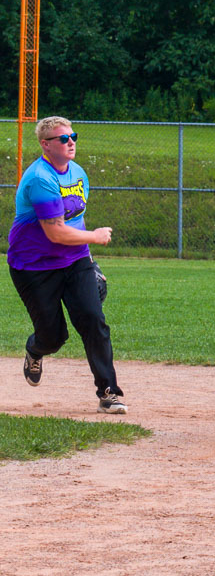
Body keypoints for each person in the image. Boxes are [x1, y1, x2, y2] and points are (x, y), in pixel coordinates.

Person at [7, 115, 128, 414]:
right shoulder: (40, 179)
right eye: (63, 138)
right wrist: (96, 237)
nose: (71, 141)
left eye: (73, 136)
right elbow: (55, 231)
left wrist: (87, 258)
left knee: (92, 319)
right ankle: (36, 349)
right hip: (34, 267)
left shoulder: (77, 173)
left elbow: (74, 220)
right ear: (46, 145)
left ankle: (108, 391)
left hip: (74, 260)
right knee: (53, 336)